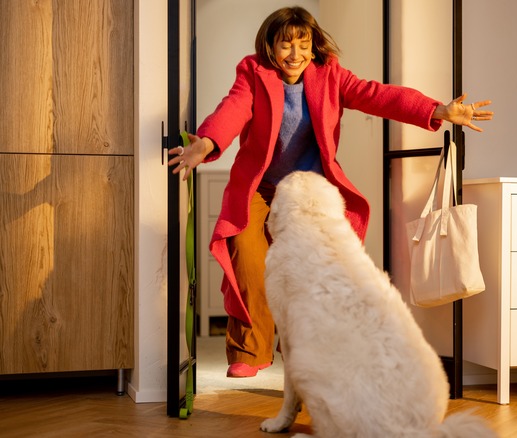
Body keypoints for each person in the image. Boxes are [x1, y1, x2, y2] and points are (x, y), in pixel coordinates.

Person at [168, 6, 493, 378]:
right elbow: (234, 109)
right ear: (270, 48)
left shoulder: (330, 75)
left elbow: (379, 96)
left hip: (308, 190)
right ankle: (250, 350)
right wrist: (207, 142)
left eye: (303, 44)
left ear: (313, 46)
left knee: (312, 271)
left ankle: (303, 350)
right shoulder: (253, 72)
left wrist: (437, 110)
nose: (295, 54)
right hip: (260, 186)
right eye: (286, 45)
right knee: (247, 255)